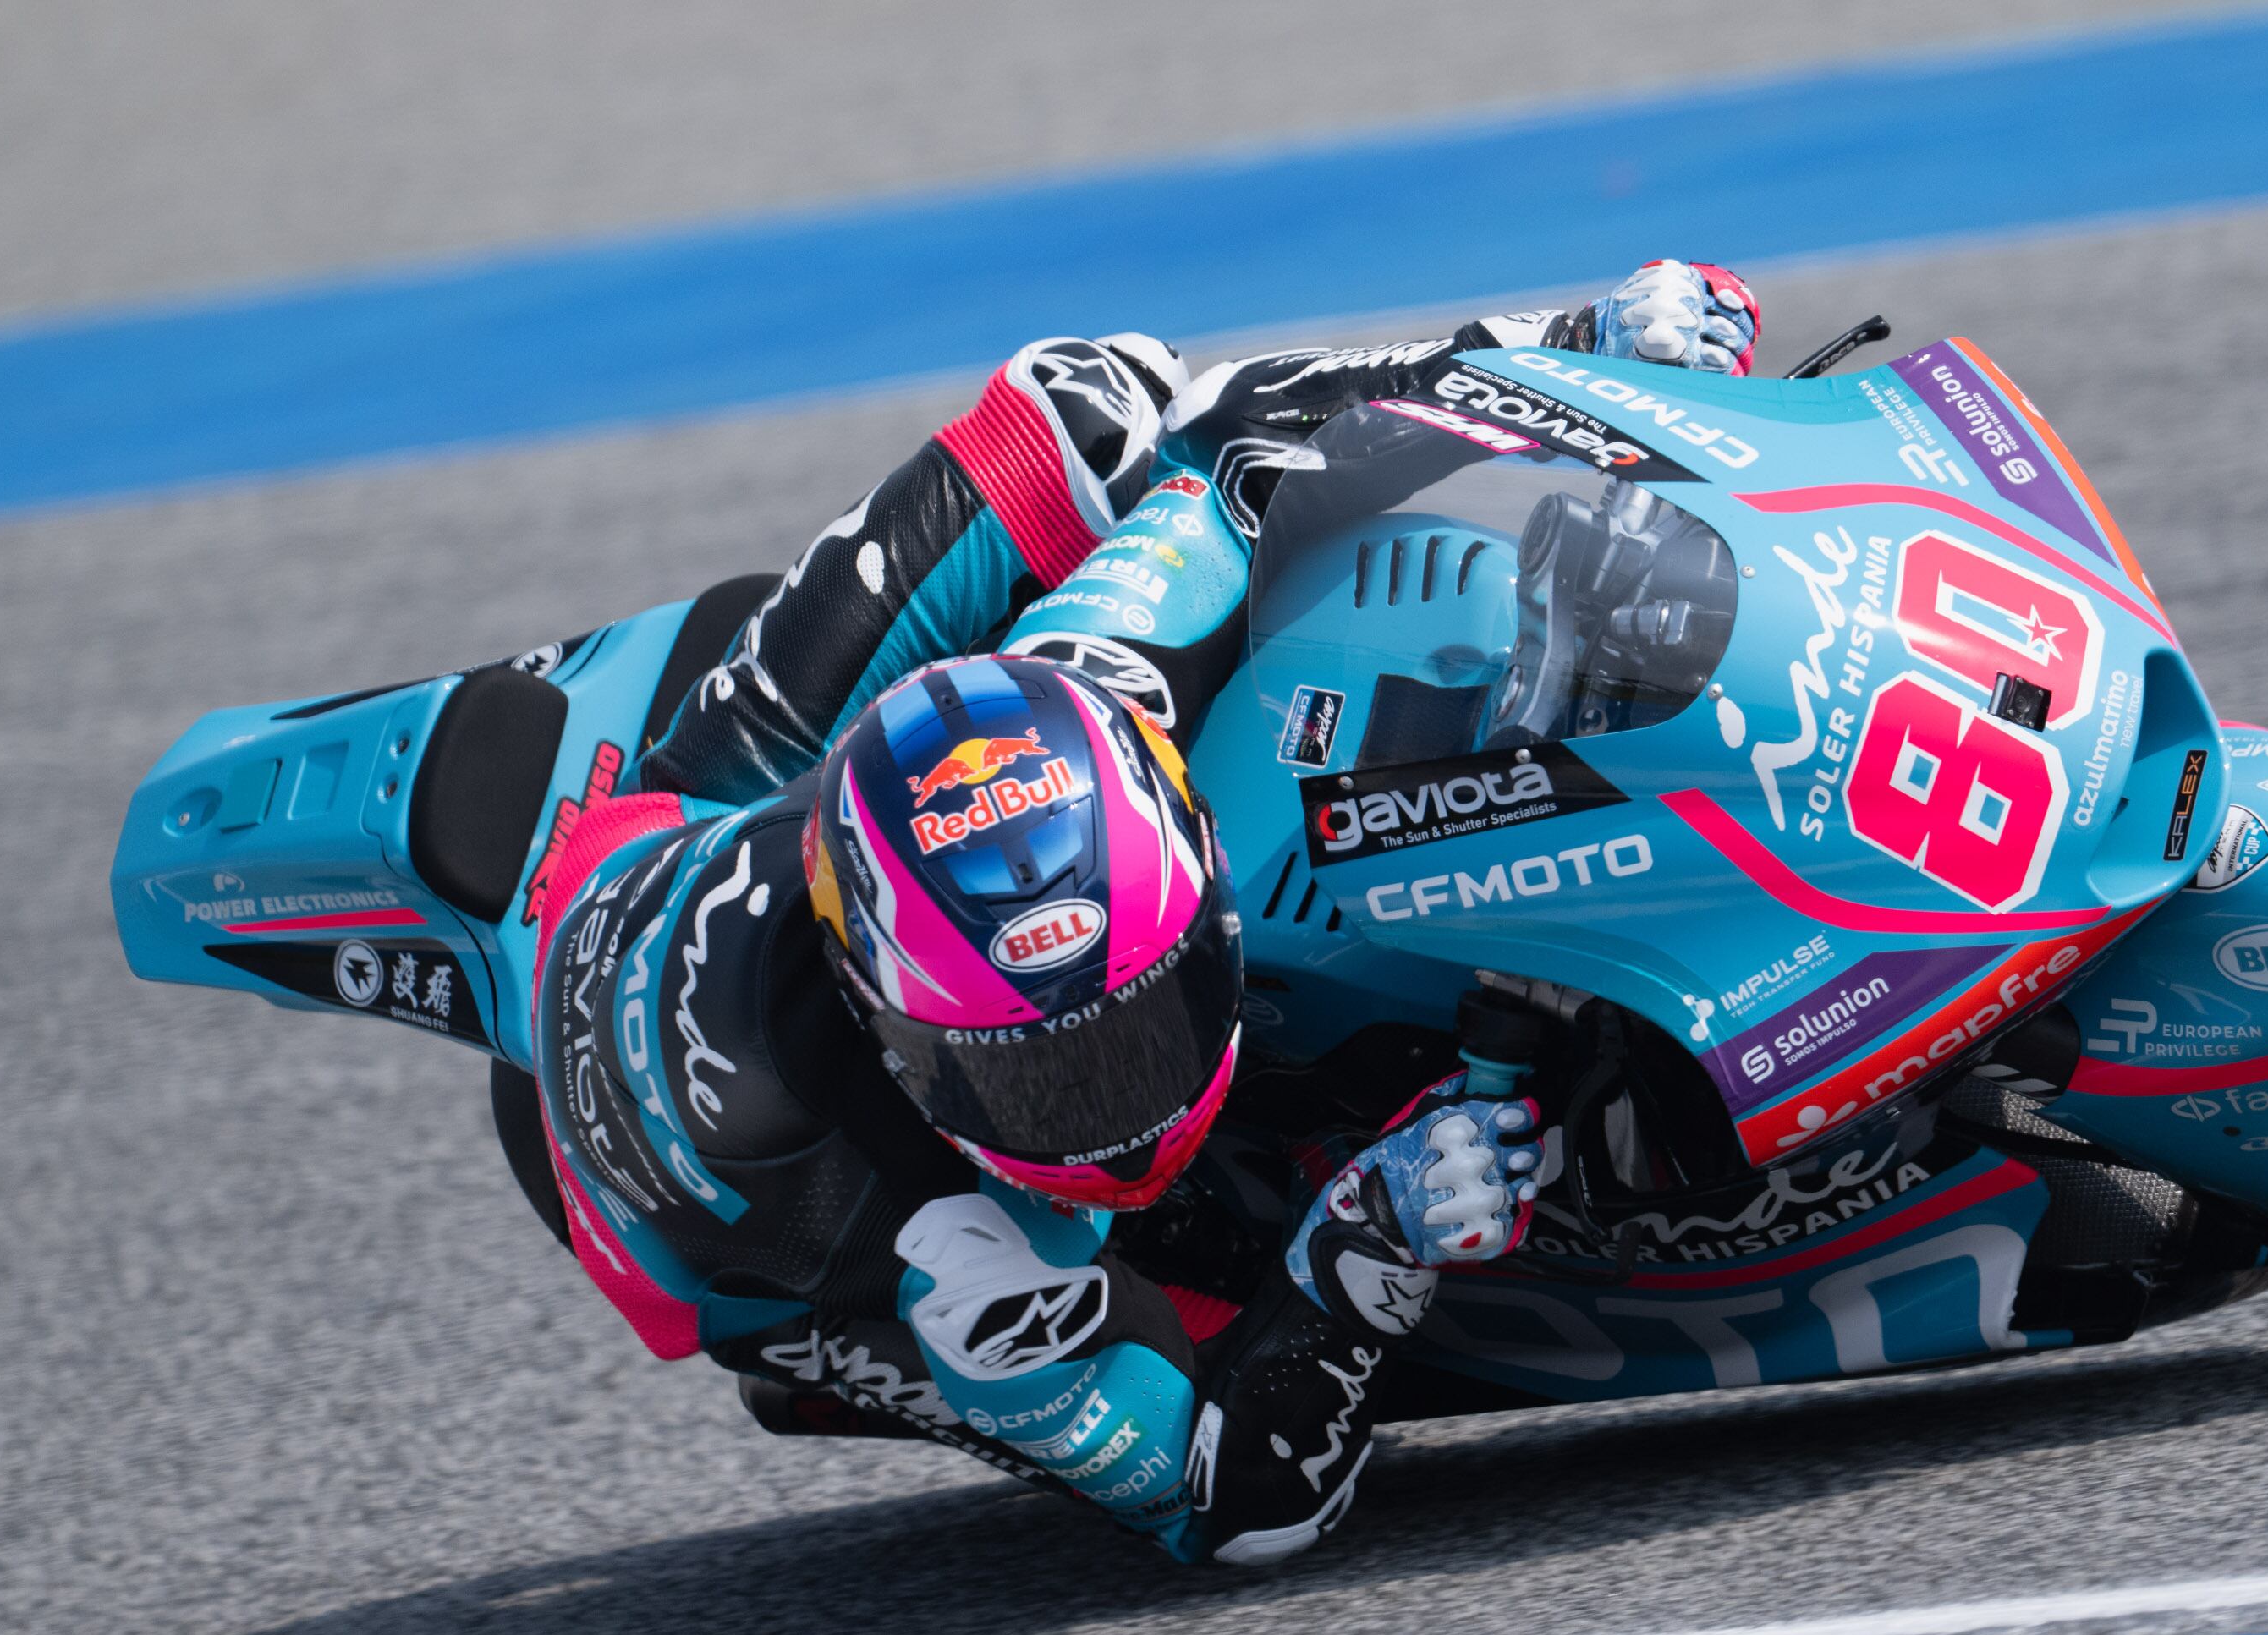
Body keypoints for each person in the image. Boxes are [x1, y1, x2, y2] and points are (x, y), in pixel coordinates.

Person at [527, 260, 1760, 1564]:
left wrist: (1578, 345)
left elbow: (1244, 443)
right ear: (907, 1046)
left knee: (1095, 405)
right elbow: (1223, 1510)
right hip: (702, 1156)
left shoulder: (1101, 674)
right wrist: (1367, 1238)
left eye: (1144, 1019)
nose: (1127, 1107)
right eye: (1052, 1077)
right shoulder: (979, 1271)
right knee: (1212, 1283)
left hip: (723, 851)